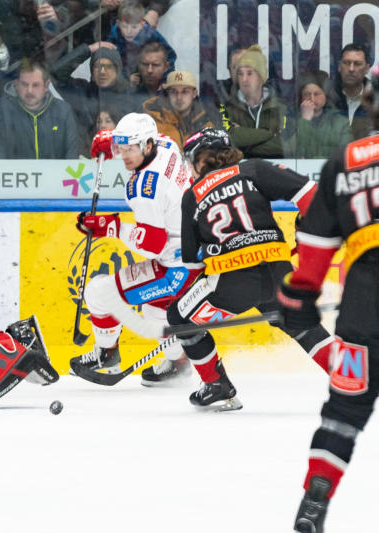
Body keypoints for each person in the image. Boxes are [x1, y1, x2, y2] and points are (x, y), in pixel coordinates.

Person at [164, 128, 336, 411]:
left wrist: (184, 307)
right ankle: (353, 378)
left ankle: (217, 386)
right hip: (279, 273)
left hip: (231, 285)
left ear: (202, 158)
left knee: (179, 316)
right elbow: (311, 194)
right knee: (303, 328)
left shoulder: (192, 195)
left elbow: (193, 263)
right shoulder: (253, 169)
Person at [278, 75, 379, 532]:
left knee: (344, 411)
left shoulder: (345, 161)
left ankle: (315, 497)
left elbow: (315, 248)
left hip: (361, 310)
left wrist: (298, 300)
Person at [71, 113, 200, 386]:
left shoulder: (144, 189)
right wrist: (112, 142)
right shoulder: (167, 145)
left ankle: (106, 355)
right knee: (156, 313)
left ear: (147, 146)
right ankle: (179, 362)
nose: (124, 156)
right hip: (192, 255)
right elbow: (148, 138)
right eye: (122, 148)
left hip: (175, 269)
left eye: (130, 149)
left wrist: (111, 226)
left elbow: (152, 245)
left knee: (98, 292)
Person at [0, 61, 80, 159]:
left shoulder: (63, 110)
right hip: (14, 170)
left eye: (35, 85)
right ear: (16, 84)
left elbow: (72, 153)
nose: (29, 91)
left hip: (55, 170)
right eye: (24, 84)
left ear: (46, 86)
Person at [51, 42, 130, 152]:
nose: (102, 71)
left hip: (121, 159)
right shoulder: (81, 93)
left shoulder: (130, 96)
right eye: (97, 67)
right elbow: (56, 74)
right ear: (92, 73)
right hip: (86, 158)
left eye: (108, 67)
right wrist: (87, 50)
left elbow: (137, 137)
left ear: (117, 71)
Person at [224, 44, 291, 158]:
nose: (244, 79)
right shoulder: (226, 107)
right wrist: (270, 134)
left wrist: (244, 144)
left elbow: (287, 145)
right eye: (240, 73)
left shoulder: (281, 108)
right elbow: (227, 141)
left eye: (250, 73)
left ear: (261, 76)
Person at [142, 70, 222, 147]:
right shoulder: (151, 123)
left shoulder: (207, 123)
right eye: (174, 92)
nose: (179, 97)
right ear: (168, 94)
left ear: (194, 93)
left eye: (185, 91)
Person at [108, 0, 176, 78]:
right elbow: (109, 61)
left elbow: (170, 55)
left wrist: (166, 79)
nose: (129, 31)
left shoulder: (151, 35)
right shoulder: (114, 36)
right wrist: (126, 79)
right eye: (125, 26)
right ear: (118, 23)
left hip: (148, 75)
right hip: (125, 77)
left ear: (142, 24)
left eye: (134, 27)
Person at [294, 70, 352, 159]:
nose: (312, 99)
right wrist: (305, 120)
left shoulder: (341, 122)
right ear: (301, 97)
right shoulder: (291, 121)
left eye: (317, 94)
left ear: (326, 96)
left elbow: (346, 154)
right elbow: (295, 153)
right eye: (307, 94)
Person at [326, 42, 372, 140]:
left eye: (357, 64)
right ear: (339, 66)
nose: (351, 69)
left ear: (367, 69)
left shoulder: (375, 100)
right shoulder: (326, 96)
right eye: (346, 63)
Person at [128, 41, 172, 107]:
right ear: (138, 65)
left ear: (166, 67)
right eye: (145, 64)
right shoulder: (130, 88)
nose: (149, 70)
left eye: (155, 65)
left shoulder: (174, 92)